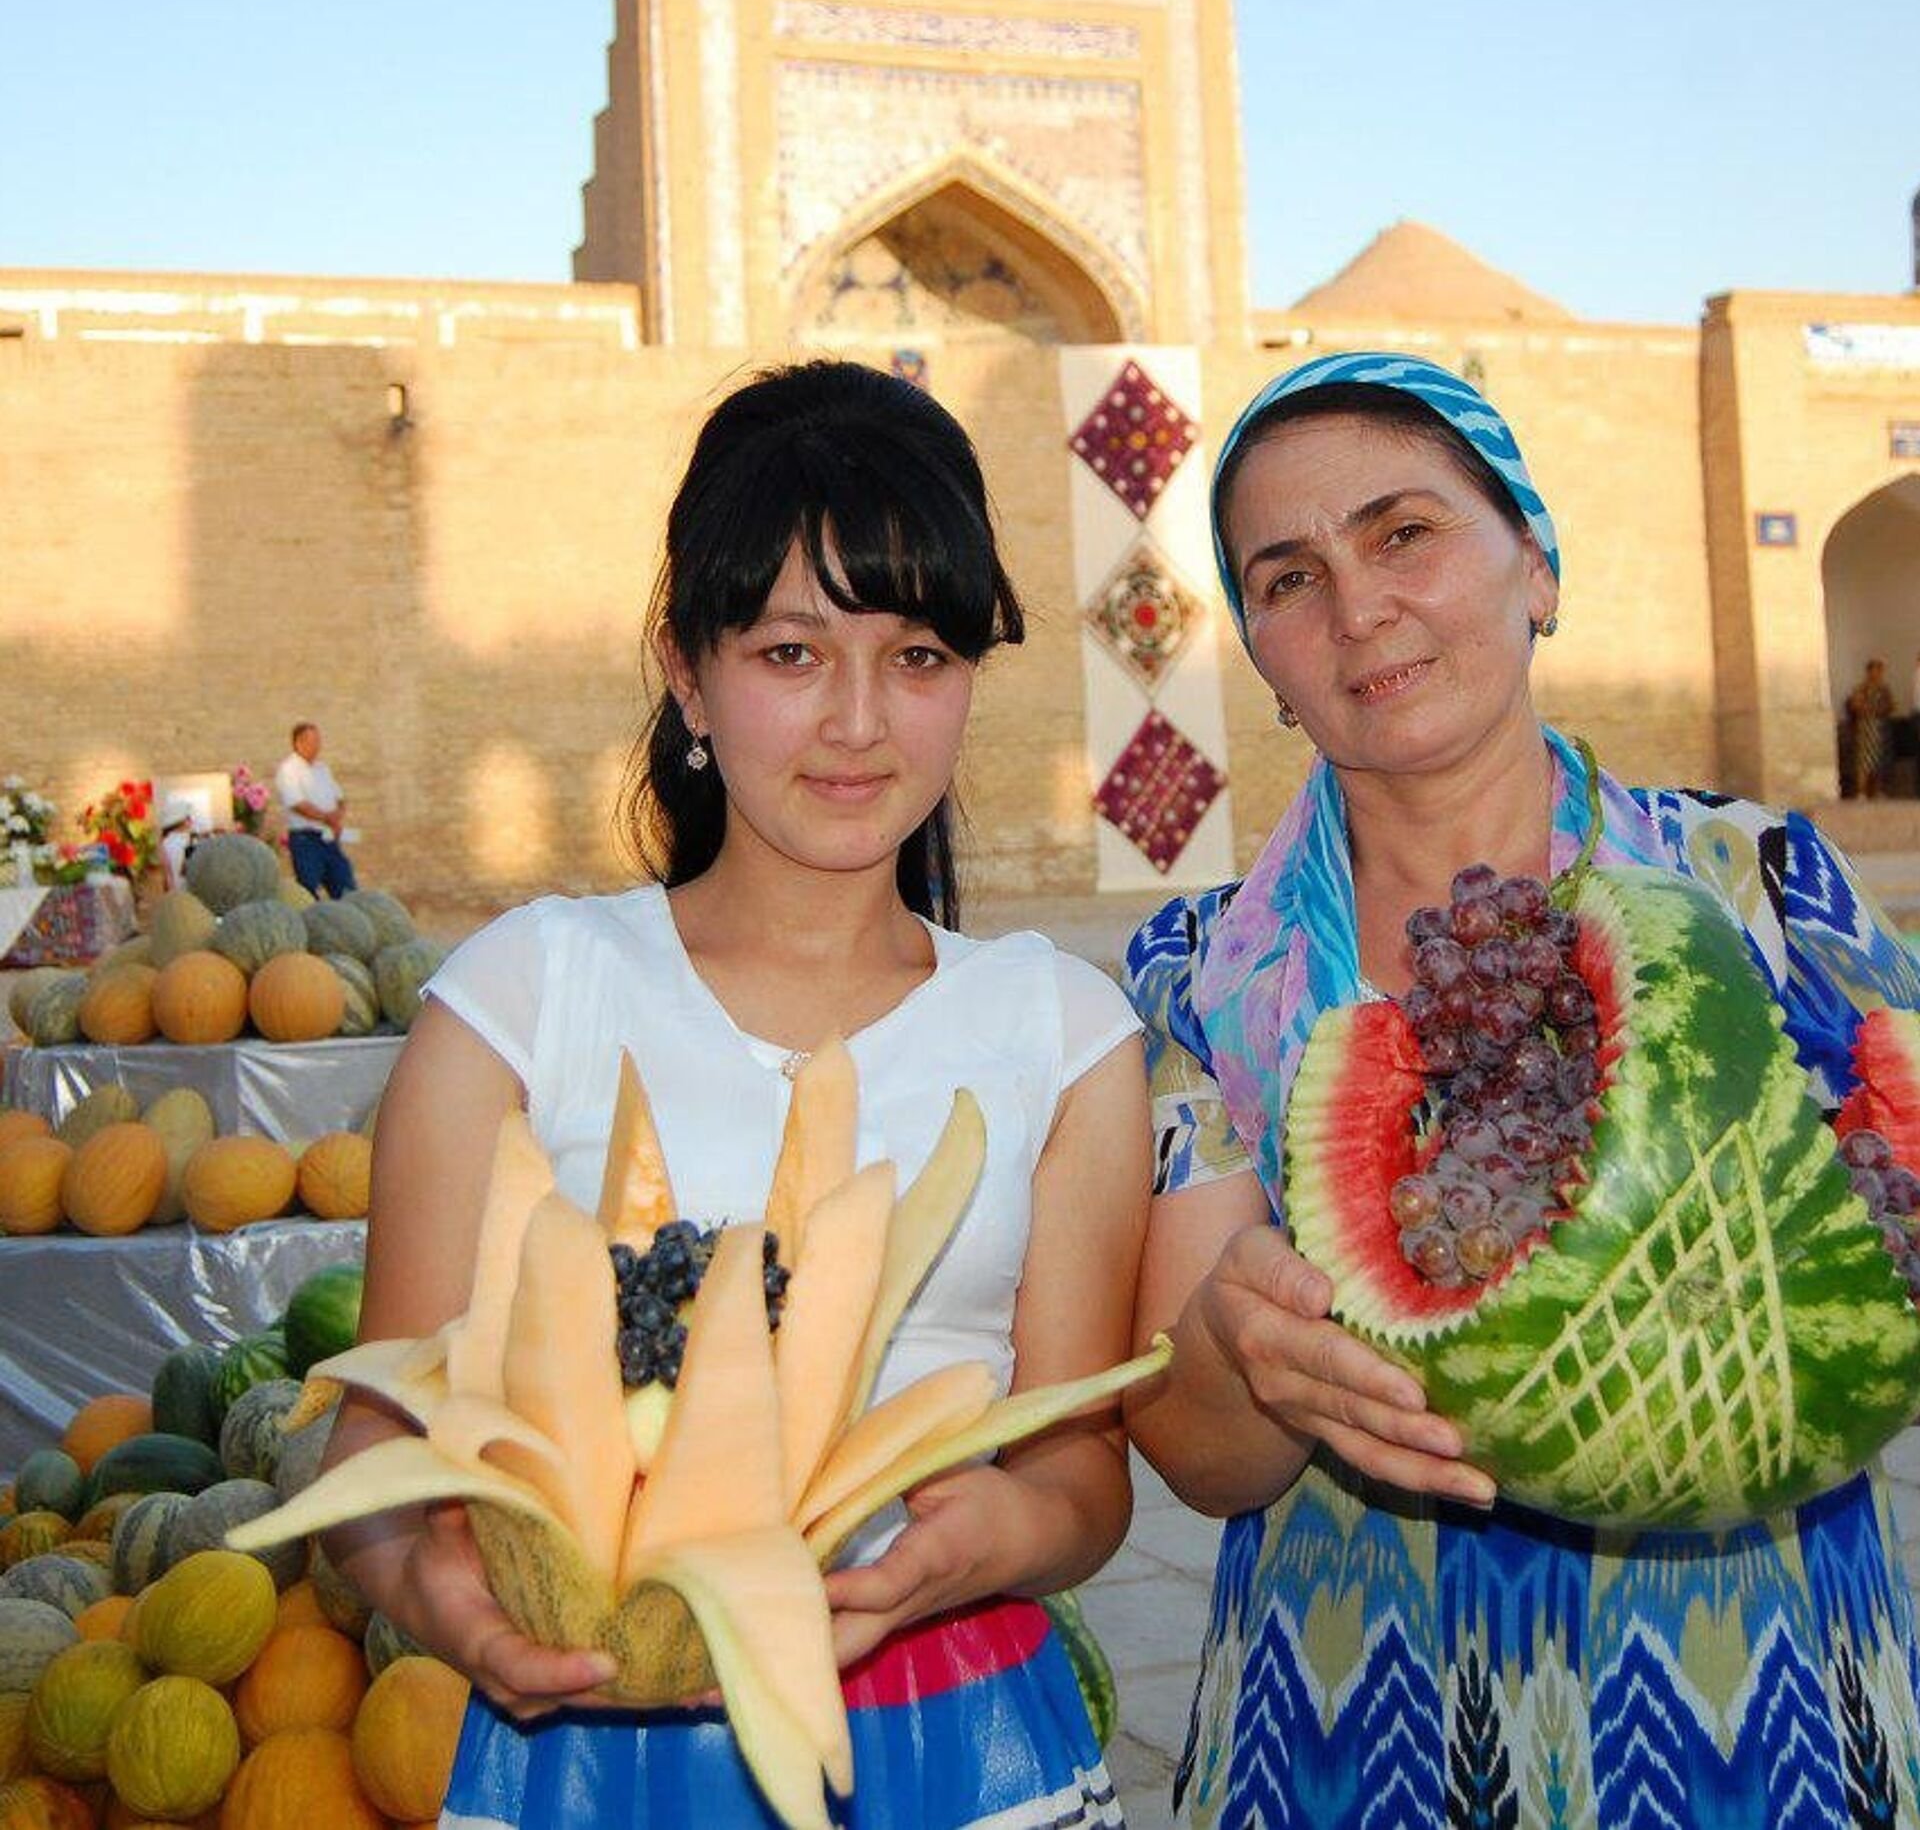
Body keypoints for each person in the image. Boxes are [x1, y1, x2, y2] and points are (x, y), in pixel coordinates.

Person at [322, 360, 1151, 1829]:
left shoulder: (1064, 1031)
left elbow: (1082, 1480)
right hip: (593, 1759)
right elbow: (383, 1445)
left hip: (958, 1744)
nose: (857, 723)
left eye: (917, 657)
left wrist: (1001, 1529)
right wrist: (432, 1585)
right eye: (788, 653)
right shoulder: (524, 1002)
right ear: (687, 671)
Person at [1121, 351, 1920, 1827]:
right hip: (1352, 1734)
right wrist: (1245, 1342)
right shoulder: (1195, 978)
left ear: (1536, 566)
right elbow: (1210, 1465)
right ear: (1265, 660)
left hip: (1760, 1714)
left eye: (1404, 533)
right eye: (1287, 580)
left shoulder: (1761, 894)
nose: (1359, 610)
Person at [275, 721, 357, 895]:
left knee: (345, 886)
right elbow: (297, 804)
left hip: (328, 837)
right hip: (306, 840)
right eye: (313, 742)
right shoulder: (289, 769)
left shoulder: (322, 768)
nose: (317, 746)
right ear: (299, 743)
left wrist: (337, 816)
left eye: (318, 741)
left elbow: (340, 798)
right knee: (309, 890)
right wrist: (326, 818)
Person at [1844, 658, 1897, 799]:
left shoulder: (1884, 689)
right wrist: (1869, 709)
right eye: (1875, 670)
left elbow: (1891, 706)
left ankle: (1878, 791)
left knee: (1879, 760)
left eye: (1880, 671)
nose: (1878, 674)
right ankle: (1861, 792)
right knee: (1863, 762)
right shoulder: (1861, 688)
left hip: (1880, 729)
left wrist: (1879, 710)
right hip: (1865, 729)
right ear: (1868, 672)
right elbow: (1855, 705)